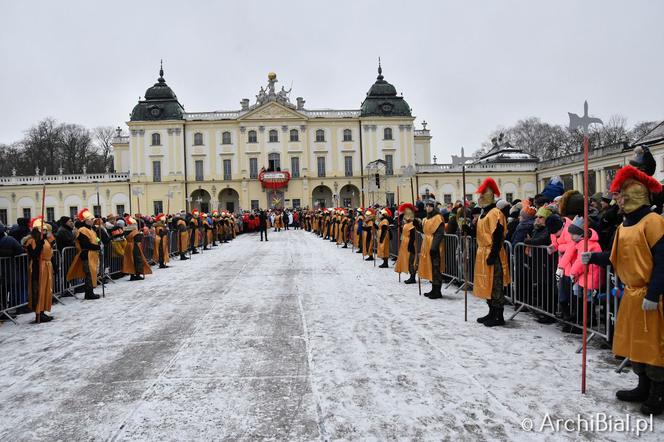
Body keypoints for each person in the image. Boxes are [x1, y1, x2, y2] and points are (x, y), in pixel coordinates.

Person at [583, 162, 664, 416]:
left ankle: (658, 393)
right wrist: (592, 257)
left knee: (654, 345)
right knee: (637, 344)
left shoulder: (653, 222)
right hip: (632, 293)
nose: (616, 200)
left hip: (651, 295)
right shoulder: (625, 225)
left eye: (620, 195)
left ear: (632, 195)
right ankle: (642, 386)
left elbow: (663, 260)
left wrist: (653, 293)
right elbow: (615, 256)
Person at [473, 178, 510, 327]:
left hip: (492, 254)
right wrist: (468, 229)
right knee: (486, 284)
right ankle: (491, 312)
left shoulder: (495, 213)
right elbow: (481, 234)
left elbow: (497, 235)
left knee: (495, 285)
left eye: (482, 196)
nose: (479, 198)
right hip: (482, 252)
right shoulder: (484, 213)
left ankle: (498, 316)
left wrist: (493, 254)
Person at [24, 217, 56, 323]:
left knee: (46, 289)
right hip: (38, 267)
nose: (45, 231)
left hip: (47, 265)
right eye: (43, 230)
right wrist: (39, 244)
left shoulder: (45, 240)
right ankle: (38, 313)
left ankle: (42, 311)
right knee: (38, 289)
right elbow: (33, 255)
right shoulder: (31, 241)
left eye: (45, 230)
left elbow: (50, 251)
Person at [66, 208, 101, 300]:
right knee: (89, 274)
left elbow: (95, 240)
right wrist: (97, 247)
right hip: (87, 255)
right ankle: (89, 293)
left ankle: (90, 292)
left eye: (93, 220)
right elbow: (85, 244)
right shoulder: (82, 230)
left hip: (93, 254)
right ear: (86, 220)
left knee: (93, 273)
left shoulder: (91, 230)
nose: (93, 221)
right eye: (91, 220)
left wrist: (98, 243)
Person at [417, 197, 446, 299]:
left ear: (433, 207)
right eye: (427, 206)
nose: (428, 208)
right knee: (430, 267)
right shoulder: (426, 219)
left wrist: (434, 247)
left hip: (435, 246)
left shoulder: (438, 218)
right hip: (427, 245)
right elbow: (424, 230)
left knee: (435, 268)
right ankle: (433, 289)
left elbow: (439, 233)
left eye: (430, 206)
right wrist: (417, 226)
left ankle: (437, 291)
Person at [122, 216, 152, 281]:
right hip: (134, 246)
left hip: (128, 246)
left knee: (130, 261)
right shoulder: (135, 232)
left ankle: (132, 275)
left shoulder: (126, 231)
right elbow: (138, 240)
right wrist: (141, 234)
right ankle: (137, 274)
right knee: (137, 260)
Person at [395, 203, 418, 284]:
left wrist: (410, 245)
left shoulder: (412, 225)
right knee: (408, 260)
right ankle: (411, 276)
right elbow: (403, 233)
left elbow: (412, 236)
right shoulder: (407, 224)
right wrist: (399, 227)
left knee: (411, 261)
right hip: (405, 244)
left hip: (410, 244)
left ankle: (412, 277)